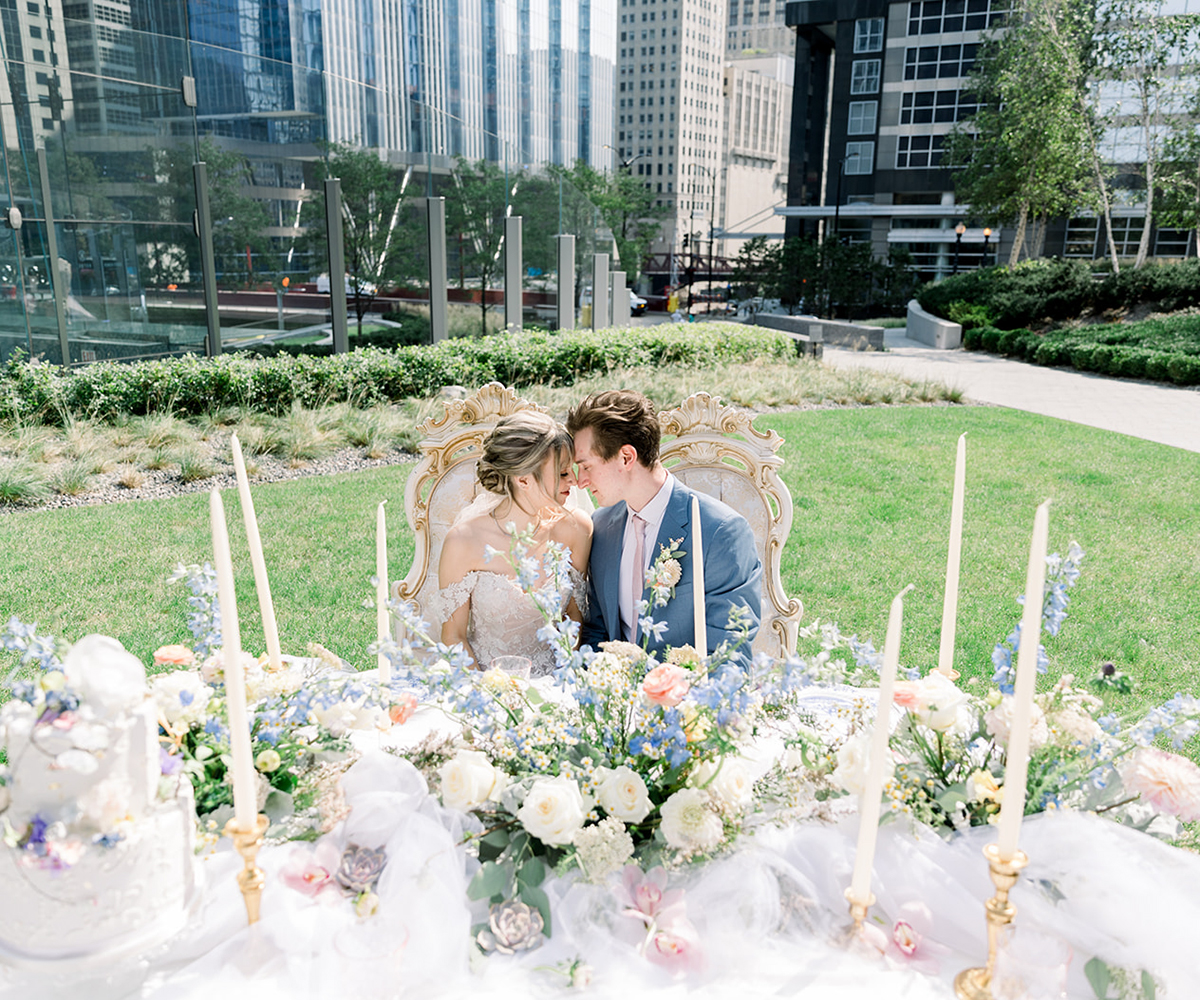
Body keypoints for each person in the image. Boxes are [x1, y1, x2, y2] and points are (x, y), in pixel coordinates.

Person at [566, 390, 761, 660]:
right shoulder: (601, 526)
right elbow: (597, 633)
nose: (580, 481)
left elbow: (730, 655)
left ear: (626, 457)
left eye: (586, 466)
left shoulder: (720, 532)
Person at [431, 412, 593, 676]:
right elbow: (454, 636)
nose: (574, 480)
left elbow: (574, 617)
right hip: (488, 686)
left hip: (556, 684)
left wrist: (562, 681)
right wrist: (489, 695)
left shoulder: (577, 529)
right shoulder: (464, 541)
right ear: (523, 479)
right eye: (563, 473)